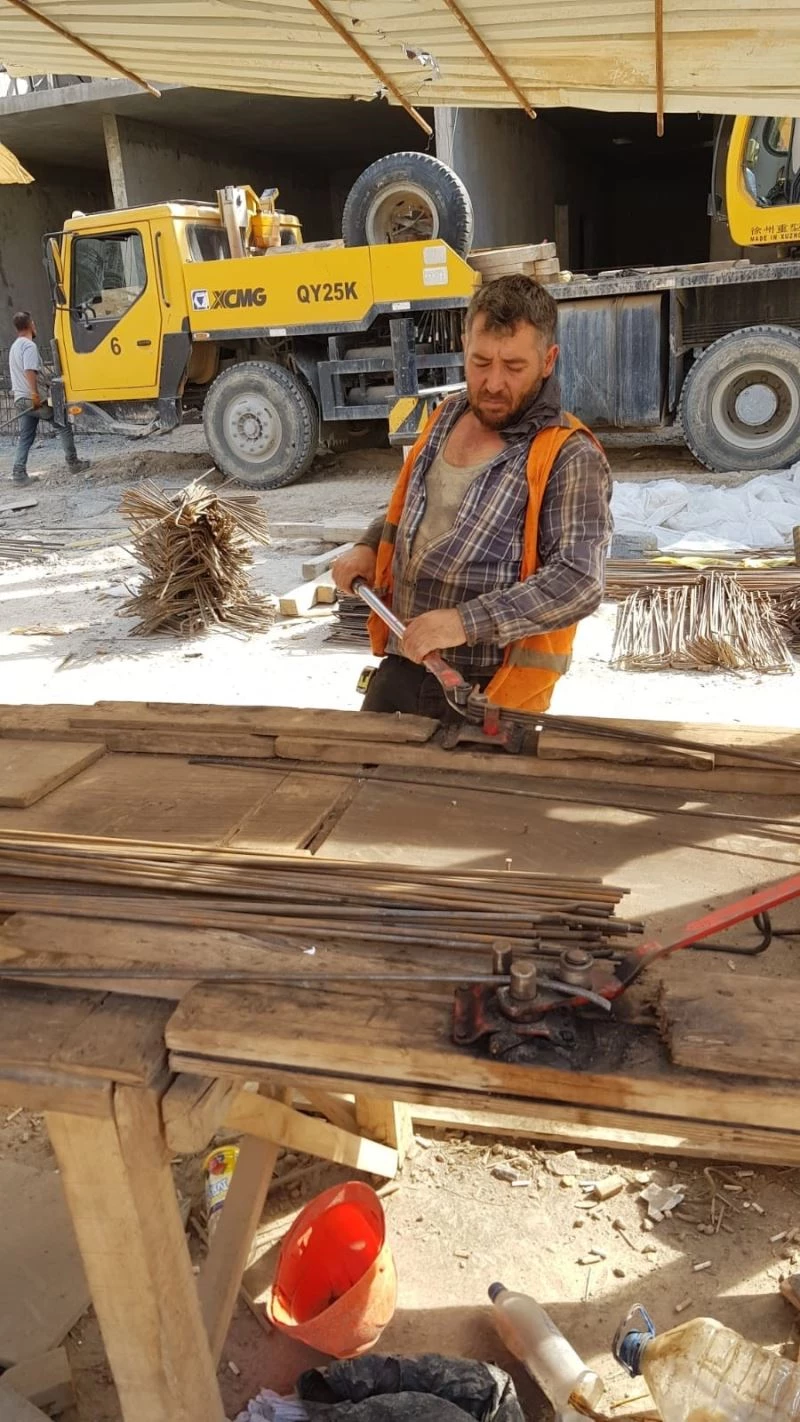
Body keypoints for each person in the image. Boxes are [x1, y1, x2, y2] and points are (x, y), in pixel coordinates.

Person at [333, 275, 612, 720]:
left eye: (514, 366)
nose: (494, 383)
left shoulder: (568, 456)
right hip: (403, 663)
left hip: (485, 696)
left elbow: (578, 582)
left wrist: (464, 622)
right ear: (465, 346)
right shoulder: (447, 414)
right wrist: (369, 545)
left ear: (548, 361)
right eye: (481, 362)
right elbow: (414, 503)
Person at [8, 310, 89, 485]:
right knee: (63, 424)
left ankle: (19, 473)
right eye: (34, 324)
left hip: (20, 399)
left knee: (26, 436)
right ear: (30, 325)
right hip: (31, 398)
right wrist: (36, 394)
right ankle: (73, 463)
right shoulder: (29, 346)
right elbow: (29, 371)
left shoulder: (14, 346)